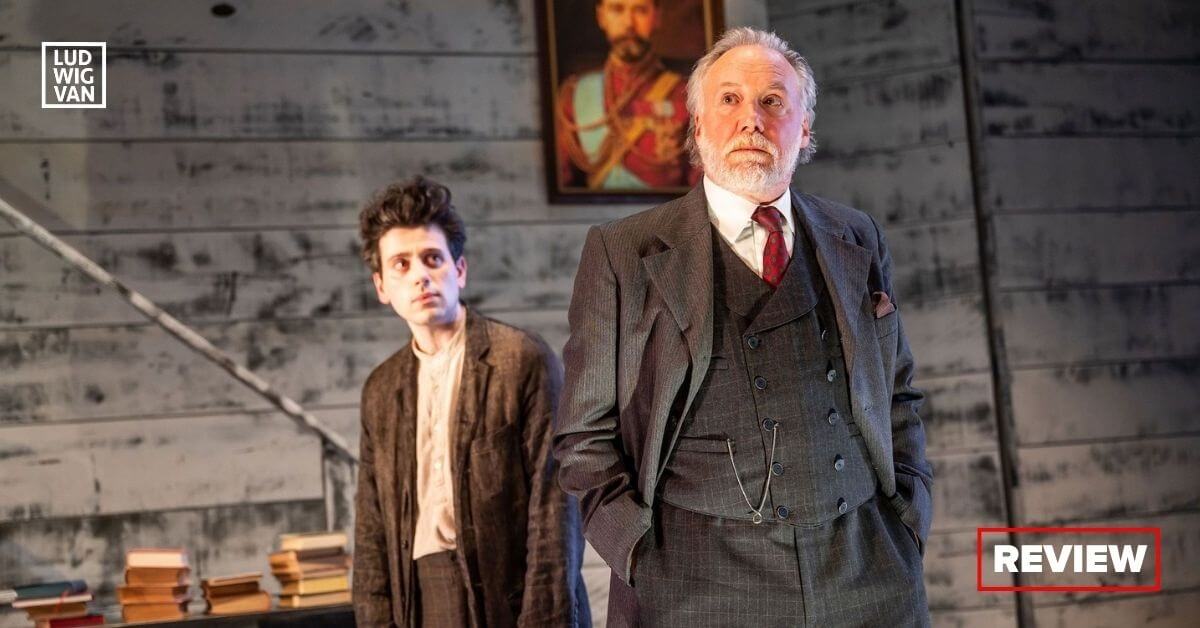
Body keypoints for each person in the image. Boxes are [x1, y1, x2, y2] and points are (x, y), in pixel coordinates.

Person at [554, 27, 933, 626]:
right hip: (696, 588)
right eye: (729, 99)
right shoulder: (623, 252)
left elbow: (898, 393)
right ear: (698, 126)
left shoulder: (856, 235)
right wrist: (639, 554)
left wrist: (908, 517)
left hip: (868, 571)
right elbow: (583, 436)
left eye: (772, 101)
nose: (751, 120)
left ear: (804, 129)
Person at [352, 176, 590, 627]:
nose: (420, 275)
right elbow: (371, 530)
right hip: (419, 597)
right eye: (401, 264)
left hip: (513, 598)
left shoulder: (520, 358)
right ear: (381, 286)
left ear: (459, 270)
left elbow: (555, 505)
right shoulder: (381, 390)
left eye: (433, 258)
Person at [555, 0, 699, 190]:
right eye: (617, 9)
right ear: (601, 17)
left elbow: (700, 183)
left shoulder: (685, 94)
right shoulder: (575, 95)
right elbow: (562, 181)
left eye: (640, 10)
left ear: (657, 17)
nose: (629, 23)